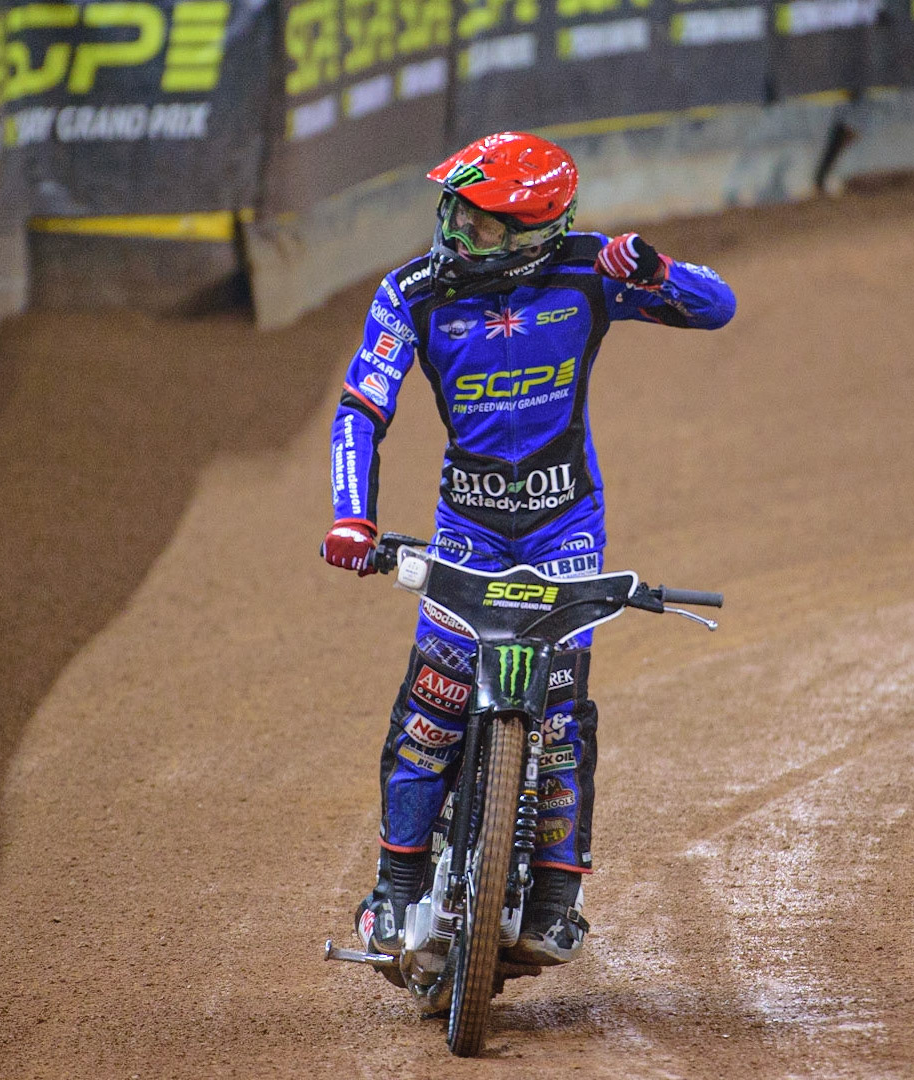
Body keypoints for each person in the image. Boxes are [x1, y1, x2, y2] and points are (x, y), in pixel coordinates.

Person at [321, 130, 736, 972]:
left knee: (558, 717)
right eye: (453, 215)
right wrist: (351, 518)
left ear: (530, 232)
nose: (452, 234)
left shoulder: (589, 272)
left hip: (565, 529)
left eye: (474, 223)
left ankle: (554, 901)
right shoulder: (410, 293)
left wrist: (654, 276)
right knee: (431, 711)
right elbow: (361, 408)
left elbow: (718, 305)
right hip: (465, 530)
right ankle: (396, 889)